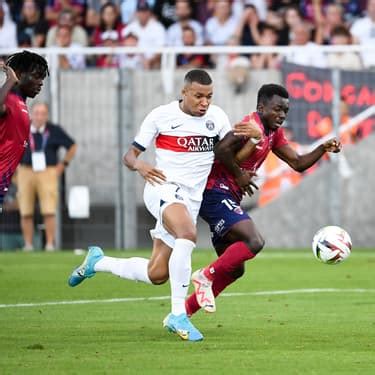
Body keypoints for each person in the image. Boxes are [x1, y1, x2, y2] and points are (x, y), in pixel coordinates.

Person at [67, 69, 261, 342]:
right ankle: (178, 315)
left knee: (156, 273)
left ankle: (97, 262)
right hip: (162, 189)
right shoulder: (161, 116)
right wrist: (141, 165)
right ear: (184, 93)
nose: (204, 102)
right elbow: (129, 155)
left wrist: (254, 139)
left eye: (209, 97)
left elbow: (231, 157)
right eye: (198, 96)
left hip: (191, 200)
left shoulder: (217, 118)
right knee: (188, 234)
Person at [185, 84, 342, 316]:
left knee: (235, 269)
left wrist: (322, 148)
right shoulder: (251, 126)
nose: (281, 115)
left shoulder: (273, 132)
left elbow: (297, 163)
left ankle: (183, 313)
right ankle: (205, 276)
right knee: (254, 241)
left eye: (285, 112)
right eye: (277, 109)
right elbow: (221, 150)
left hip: (228, 196)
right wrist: (239, 175)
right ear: (261, 107)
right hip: (214, 192)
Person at [17, 102, 77, 251]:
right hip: (25, 170)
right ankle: (28, 245)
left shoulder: (54, 130)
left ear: (47, 115)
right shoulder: (22, 127)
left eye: (43, 113)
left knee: (49, 210)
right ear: (31, 114)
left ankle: (50, 244)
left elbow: (72, 146)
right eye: (36, 113)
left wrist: (63, 165)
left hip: (47, 171)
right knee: (25, 210)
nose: (39, 117)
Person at [0, 50, 49, 212]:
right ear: (19, 74)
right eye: (36, 76)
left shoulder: (20, 103)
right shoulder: (10, 98)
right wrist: (10, 81)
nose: (40, 83)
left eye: (42, 78)